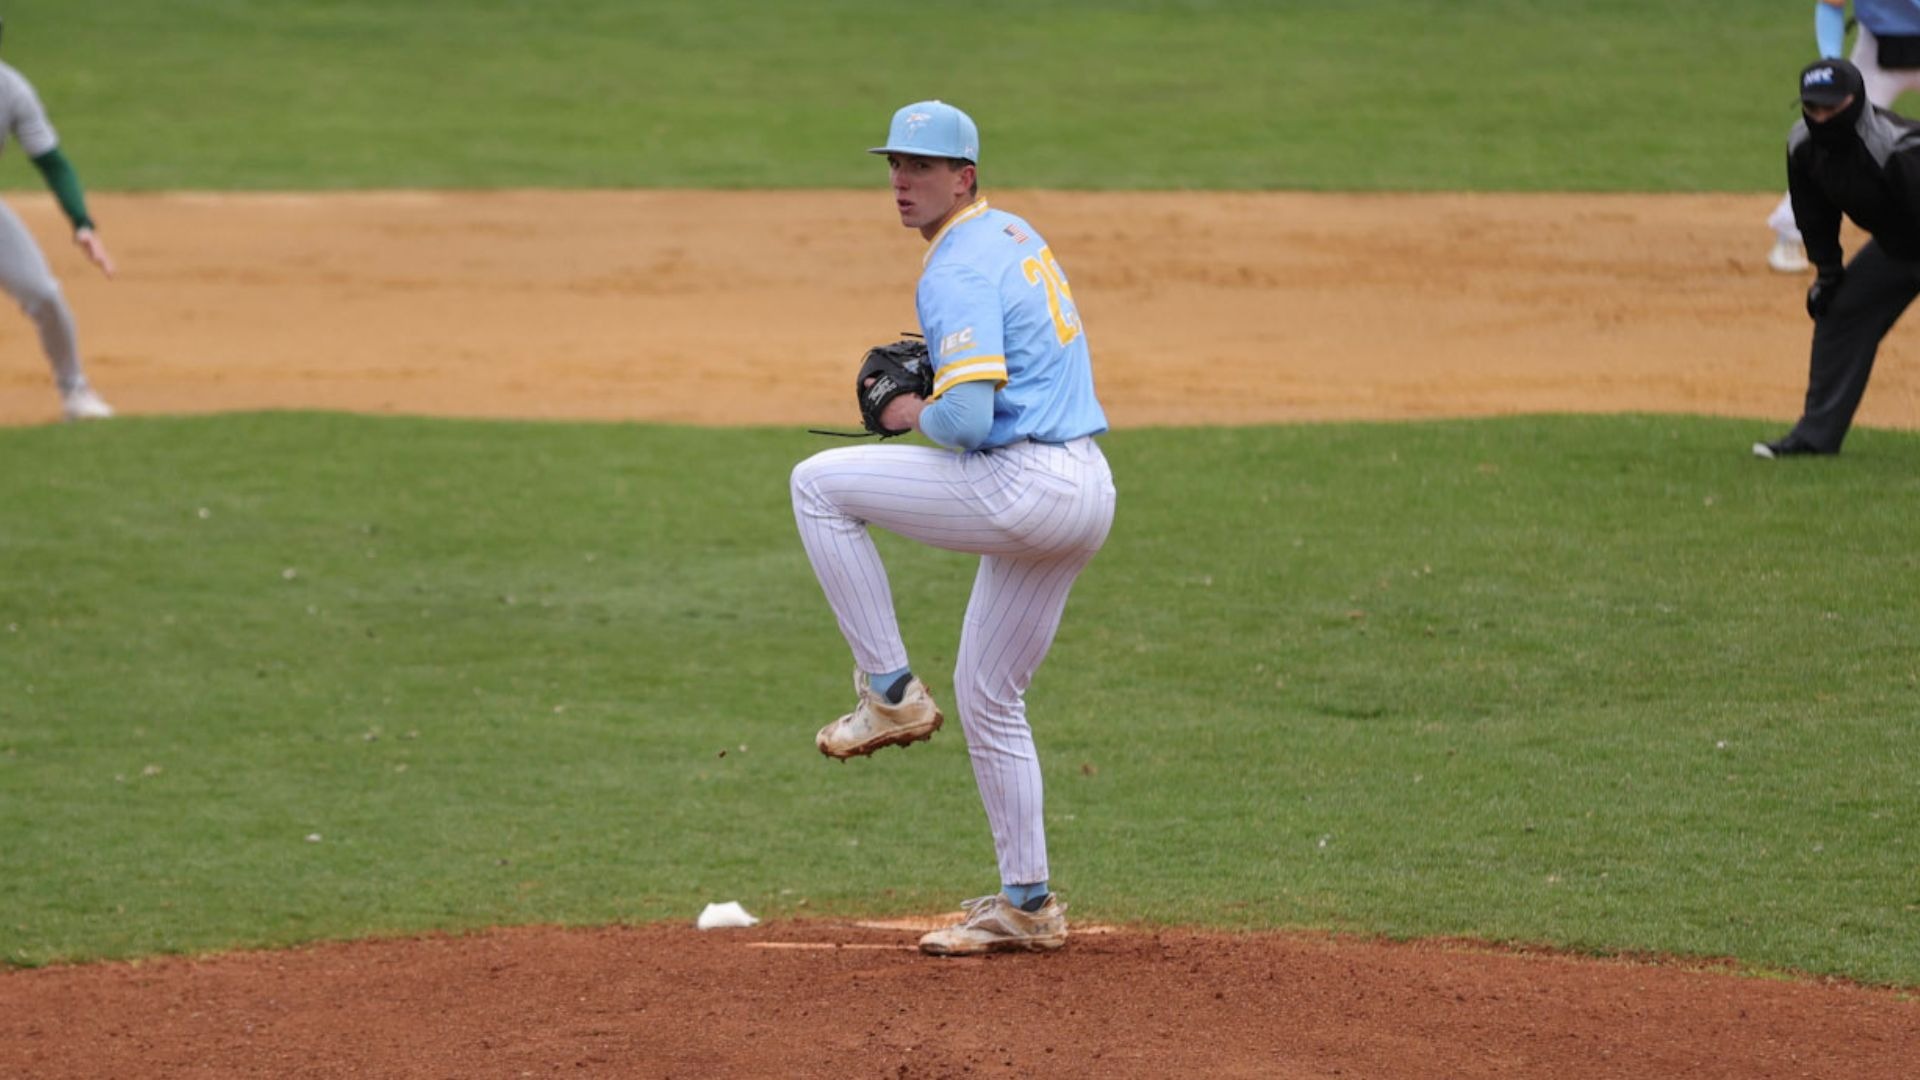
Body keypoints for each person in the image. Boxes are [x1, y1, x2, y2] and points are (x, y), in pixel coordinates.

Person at [789, 100, 1117, 955]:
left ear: (963, 176)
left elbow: (966, 422)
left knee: (818, 485)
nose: (901, 181)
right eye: (895, 164)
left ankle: (889, 693)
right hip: (1085, 487)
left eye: (921, 168)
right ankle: (1028, 903)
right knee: (989, 694)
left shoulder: (954, 267)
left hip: (1025, 485)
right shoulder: (1012, 233)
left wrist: (907, 413)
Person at [1754, 58, 1920, 457]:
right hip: (1900, 246)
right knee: (1842, 312)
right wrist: (1827, 274)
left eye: (1833, 107)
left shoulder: (1896, 149)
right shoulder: (1802, 146)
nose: (1823, 117)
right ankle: (1815, 438)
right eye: (1814, 108)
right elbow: (1814, 215)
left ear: (1857, 100)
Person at [0, 16, 116, 421]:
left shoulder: (10, 89)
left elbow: (52, 163)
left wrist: (82, 222)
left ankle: (76, 393)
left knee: (45, 294)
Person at [1768, 1, 1920, 273]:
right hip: (1878, 49)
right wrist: (1833, 62)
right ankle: (1791, 232)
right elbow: (1831, 4)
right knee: (1835, 136)